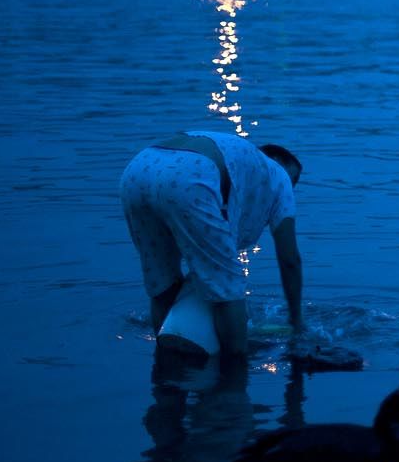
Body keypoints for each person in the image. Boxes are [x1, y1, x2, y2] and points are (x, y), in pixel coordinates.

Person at [120, 131, 304, 362]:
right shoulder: (278, 175)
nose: (291, 189)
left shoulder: (241, 161)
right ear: (281, 166)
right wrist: (296, 322)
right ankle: (233, 375)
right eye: (293, 182)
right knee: (229, 285)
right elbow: (289, 259)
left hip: (138, 169)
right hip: (191, 175)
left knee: (162, 280)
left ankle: (164, 366)